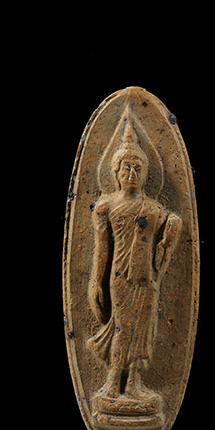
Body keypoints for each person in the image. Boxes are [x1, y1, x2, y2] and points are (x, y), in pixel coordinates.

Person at [87, 122, 181, 403]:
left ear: (145, 173)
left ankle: (133, 385)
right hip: (121, 277)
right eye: (125, 168)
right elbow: (102, 249)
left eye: (137, 169)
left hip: (146, 280)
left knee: (143, 332)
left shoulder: (154, 209)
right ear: (115, 173)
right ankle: (112, 383)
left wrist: (172, 231)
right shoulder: (106, 207)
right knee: (123, 327)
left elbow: (163, 247)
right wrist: (95, 282)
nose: (131, 174)